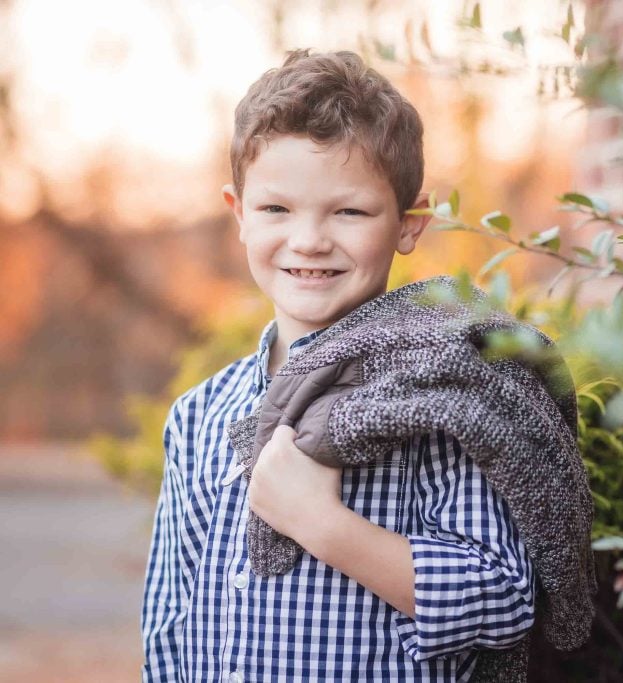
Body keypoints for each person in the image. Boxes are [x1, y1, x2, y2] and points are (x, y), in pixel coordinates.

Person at [139, 49, 593, 683]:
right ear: (238, 213)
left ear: (409, 224)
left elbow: (506, 601)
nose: (309, 240)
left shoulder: (440, 394)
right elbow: (170, 628)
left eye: (348, 211)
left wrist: (322, 525)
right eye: (277, 209)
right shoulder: (198, 418)